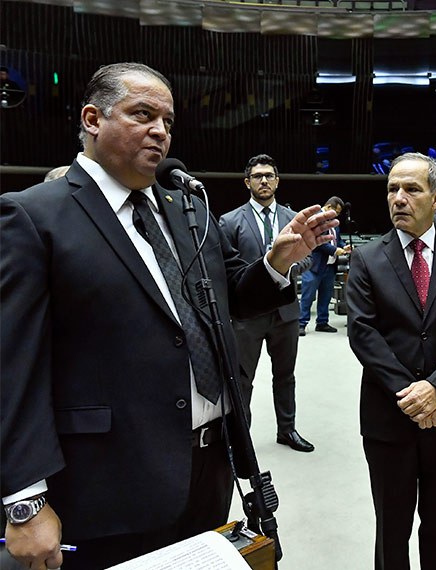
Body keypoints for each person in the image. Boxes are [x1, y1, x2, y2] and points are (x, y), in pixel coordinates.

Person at [0, 62, 337, 570]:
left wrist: (276, 263)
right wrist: (25, 499)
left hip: (210, 465)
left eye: (169, 121)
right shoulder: (33, 216)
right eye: (142, 114)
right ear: (93, 119)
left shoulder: (187, 209)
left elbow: (229, 302)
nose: (160, 131)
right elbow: (11, 365)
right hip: (110, 480)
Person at [346, 152, 436, 569]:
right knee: (391, 529)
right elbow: (363, 334)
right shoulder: (368, 258)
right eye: (393, 189)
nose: (399, 198)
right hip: (389, 416)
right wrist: (413, 394)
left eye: (412, 189)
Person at [219, 154, 315, 453]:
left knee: (285, 376)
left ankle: (287, 430)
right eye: (258, 176)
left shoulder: (293, 218)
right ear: (247, 182)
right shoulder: (230, 220)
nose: (264, 180)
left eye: (269, 175)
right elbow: (226, 268)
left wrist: (284, 268)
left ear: (277, 180)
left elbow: (308, 257)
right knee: (242, 378)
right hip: (247, 315)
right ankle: (240, 437)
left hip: (285, 311)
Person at [298, 196, 350, 336]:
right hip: (314, 266)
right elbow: (317, 242)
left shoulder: (334, 223)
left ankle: (322, 322)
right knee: (307, 296)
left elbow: (337, 240)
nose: (337, 215)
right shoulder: (316, 220)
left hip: (330, 266)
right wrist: (335, 250)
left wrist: (344, 246)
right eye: (336, 212)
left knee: (326, 297)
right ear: (328, 207)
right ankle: (300, 324)